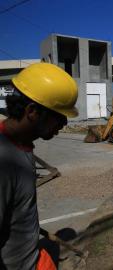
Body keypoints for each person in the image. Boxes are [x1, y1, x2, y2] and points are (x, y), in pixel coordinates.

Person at [0, 62, 78, 269]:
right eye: (59, 116)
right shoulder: (4, 162)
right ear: (33, 111)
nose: (64, 125)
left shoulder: (21, 145)